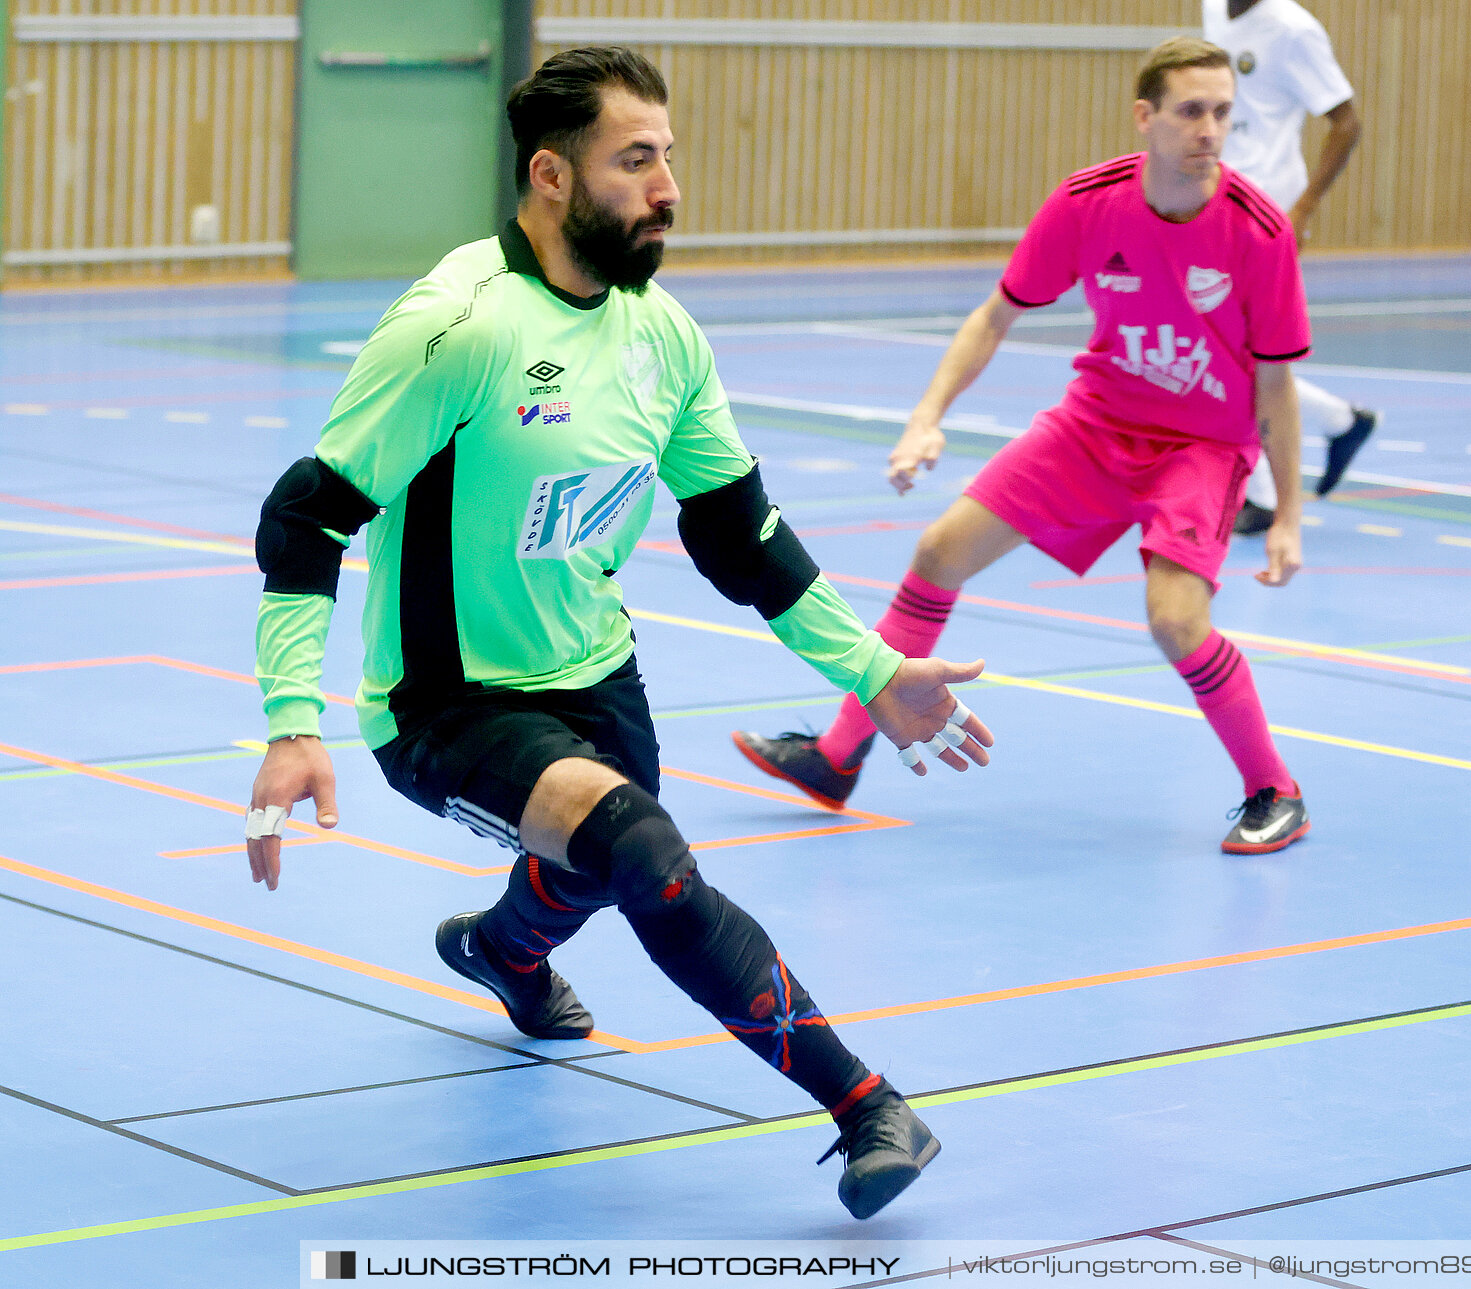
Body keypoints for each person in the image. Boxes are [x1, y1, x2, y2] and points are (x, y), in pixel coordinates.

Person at [242, 46, 993, 1220]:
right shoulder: (460, 327)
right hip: (449, 707)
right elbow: (306, 516)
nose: (667, 187)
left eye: (669, 158)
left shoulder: (664, 335)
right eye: (635, 160)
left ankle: (504, 947)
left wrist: (879, 673)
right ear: (551, 175)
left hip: (599, 678)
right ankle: (866, 1104)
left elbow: (742, 537)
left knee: (596, 852)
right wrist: (292, 718)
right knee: (641, 852)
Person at [734, 37, 1312, 856]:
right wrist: (926, 415)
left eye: (1223, 112)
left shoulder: (1258, 232)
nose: (1210, 129)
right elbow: (996, 314)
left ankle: (1274, 788)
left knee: (1177, 620)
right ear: (1146, 117)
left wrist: (1288, 514)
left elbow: (1278, 382)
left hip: (1201, 447)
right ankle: (837, 755)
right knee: (939, 551)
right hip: (1096, 425)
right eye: (1191, 111)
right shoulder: (1088, 203)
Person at [1200, 0, 1377, 535]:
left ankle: (1264, 495)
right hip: (1215, 198)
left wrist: (1301, 208)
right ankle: (1340, 421)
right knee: (1217, 350)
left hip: (1266, 208)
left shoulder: (1293, 30)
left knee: (1243, 352)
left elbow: (1346, 123)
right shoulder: (1214, 9)